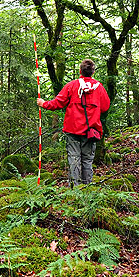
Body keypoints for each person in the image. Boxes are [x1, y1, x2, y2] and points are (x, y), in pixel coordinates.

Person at [37, 59, 110, 187]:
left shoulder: (72, 86)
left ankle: (74, 188)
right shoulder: (99, 88)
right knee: (87, 160)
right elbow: (105, 107)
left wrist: (44, 104)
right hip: (91, 130)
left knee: (74, 159)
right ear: (92, 72)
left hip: (72, 130)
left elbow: (58, 103)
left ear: (80, 71)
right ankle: (86, 188)